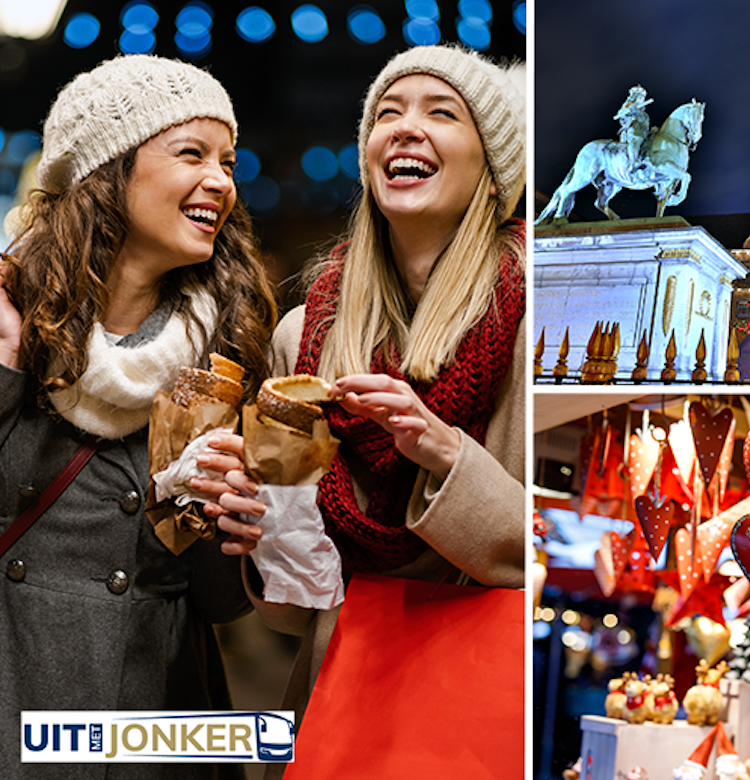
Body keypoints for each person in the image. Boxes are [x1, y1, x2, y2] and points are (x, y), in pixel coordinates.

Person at [215, 42, 526, 762]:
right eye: (387, 113)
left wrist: (445, 453)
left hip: (482, 703)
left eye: (441, 113)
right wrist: (257, 523)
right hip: (347, 697)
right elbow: (296, 609)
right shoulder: (302, 339)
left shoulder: (543, 318)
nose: (404, 127)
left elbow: (563, 546)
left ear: (493, 167)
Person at [0, 54, 277, 778]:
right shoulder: (8, 316)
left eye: (228, 160)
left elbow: (223, 609)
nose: (220, 180)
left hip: (160, 723)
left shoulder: (225, 354)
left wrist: (236, 523)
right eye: (192, 153)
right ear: (106, 172)